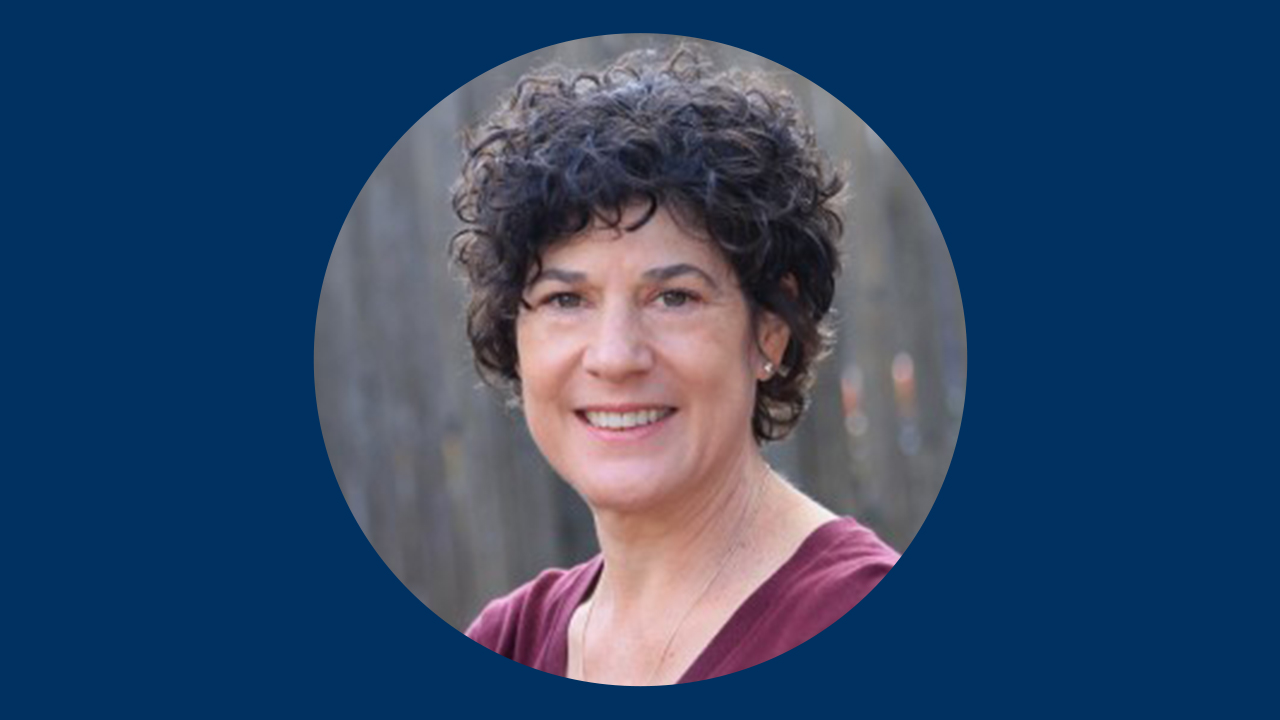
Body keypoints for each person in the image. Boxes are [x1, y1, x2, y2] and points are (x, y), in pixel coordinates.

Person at [449, 47, 899, 685]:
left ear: (770, 328)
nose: (614, 356)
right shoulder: (507, 641)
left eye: (674, 297)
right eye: (566, 299)